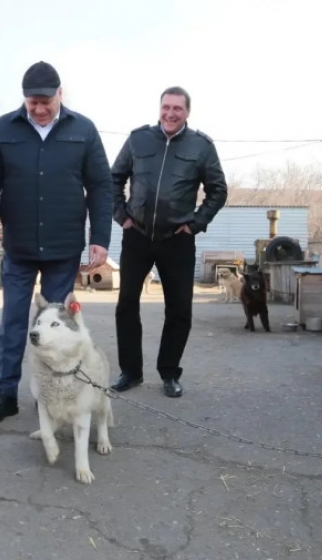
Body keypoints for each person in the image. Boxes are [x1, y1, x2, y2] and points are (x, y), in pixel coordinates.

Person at [0, 61, 112, 426]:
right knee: (13, 323)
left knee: (57, 327)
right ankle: (4, 394)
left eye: (45, 101)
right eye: (32, 102)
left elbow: (101, 185)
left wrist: (100, 238)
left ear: (60, 95)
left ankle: (50, 399)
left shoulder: (83, 130)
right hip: (18, 247)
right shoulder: (3, 129)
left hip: (63, 249)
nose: (38, 109)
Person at [110, 86, 228, 398]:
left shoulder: (201, 146)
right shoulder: (138, 139)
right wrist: (121, 216)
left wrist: (196, 223)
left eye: (177, 108)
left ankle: (169, 373)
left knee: (179, 310)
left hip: (177, 239)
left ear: (187, 112)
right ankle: (130, 372)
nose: (170, 113)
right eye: (166, 107)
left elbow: (218, 190)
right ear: (159, 109)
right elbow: (114, 178)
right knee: (126, 305)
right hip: (137, 235)